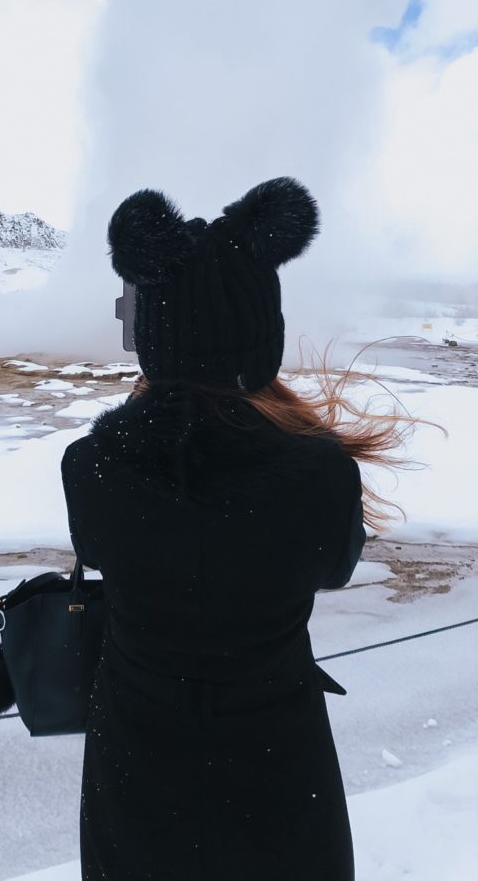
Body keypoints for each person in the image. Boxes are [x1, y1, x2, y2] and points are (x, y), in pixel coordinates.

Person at [60, 179, 413, 881]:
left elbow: (103, 548)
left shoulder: (93, 466)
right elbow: (335, 566)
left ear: (152, 335)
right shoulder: (321, 474)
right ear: (261, 330)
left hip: (136, 765)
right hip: (278, 772)